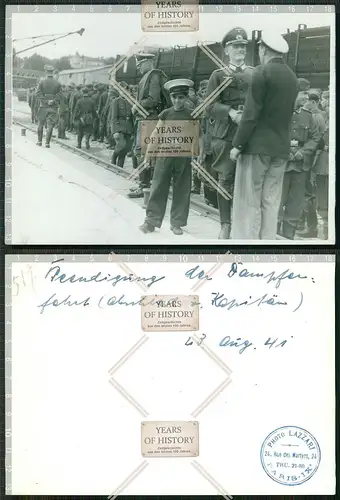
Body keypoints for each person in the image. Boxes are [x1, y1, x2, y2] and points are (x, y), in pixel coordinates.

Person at [230, 30, 299, 240]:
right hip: (281, 149)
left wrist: (237, 145)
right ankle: (268, 243)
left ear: (263, 49)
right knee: (271, 200)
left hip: (257, 148)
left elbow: (251, 114)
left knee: (251, 200)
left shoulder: (261, 72)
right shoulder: (292, 77)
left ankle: (249, 248)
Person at [205, 27, 254, 239]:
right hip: (225, 136)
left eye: (243, 46)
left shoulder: (255, 73)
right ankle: (225, 225)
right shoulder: (218, 75)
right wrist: (230, 112)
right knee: (226, 180)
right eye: (235, 47)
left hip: (252, 134)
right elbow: (208, 105)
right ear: (227, 51)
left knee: (250, 181)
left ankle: (244, 224)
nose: (240, 50)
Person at [139, 79, 195, 236]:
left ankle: (177, 223)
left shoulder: (191, 115)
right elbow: (156, 134)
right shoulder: (166, 114)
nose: (177, 101)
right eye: (174, 97)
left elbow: (198, 136)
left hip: (183, 158)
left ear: (186, 98)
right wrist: (149, 155)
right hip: (164, 155)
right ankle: (151, 221)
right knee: (158, 187)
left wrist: (199, 156)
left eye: (181, 97)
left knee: (182, 190)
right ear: (171, 97)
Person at [278, 91, 320, 239]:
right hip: (282, 164)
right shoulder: (280, 113)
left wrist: (304, 151)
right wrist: (285, 151)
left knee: (295, 202)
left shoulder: (308, 116)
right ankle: (274, 233)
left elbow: (315, 137)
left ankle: (288, 234)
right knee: (278, 199)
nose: (306, 99)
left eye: (308, 97)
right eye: (303, 94)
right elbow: (274, 134)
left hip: (301, 166)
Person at [128, 52, 170, 199]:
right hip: (147, 119)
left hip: (150, 119)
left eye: (140, 65)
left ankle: (145, 186)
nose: (138, 68)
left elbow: (153, 99)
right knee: (143, 152)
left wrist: (136, 106)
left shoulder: (153, 76)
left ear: (147, 62)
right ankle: (146, 184)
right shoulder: (150, 76)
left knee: (143, 152)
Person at [298, 91, 327, 238]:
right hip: (310, 158)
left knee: (307, 193)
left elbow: (318, 141)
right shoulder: (316, 115)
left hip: (310, 159)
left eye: (307, 101)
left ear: (313, 102)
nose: (305, 104)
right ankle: (304, 224)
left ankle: (311, 227)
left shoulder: (316, 116)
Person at [312, 99, 329, 240]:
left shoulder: (318, 117)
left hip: (324, 161)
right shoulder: (323, 118)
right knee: (320, 188)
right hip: (322, 161)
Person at [35, 65, 62, 147]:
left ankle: (39, 142)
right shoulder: (58, 83)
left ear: (46, 72)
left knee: (40, 123)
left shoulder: (42, 82)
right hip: (53, 107)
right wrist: (53, 101)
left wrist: (46, 101)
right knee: (50, 125)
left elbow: (38, 94)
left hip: (43, 106)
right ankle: (47, 143)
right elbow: (60, 95)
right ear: (53, 72)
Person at [111, 81, 134, 167]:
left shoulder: (129, 101)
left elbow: (131, 117)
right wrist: (115, 131)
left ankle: (120, 167)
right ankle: (114, 158)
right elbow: (113, 118)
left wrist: (132, 131)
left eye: (126, 90)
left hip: (128, 128)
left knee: (126, 149)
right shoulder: (116, 102)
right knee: (121, 146)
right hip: (119, 128)